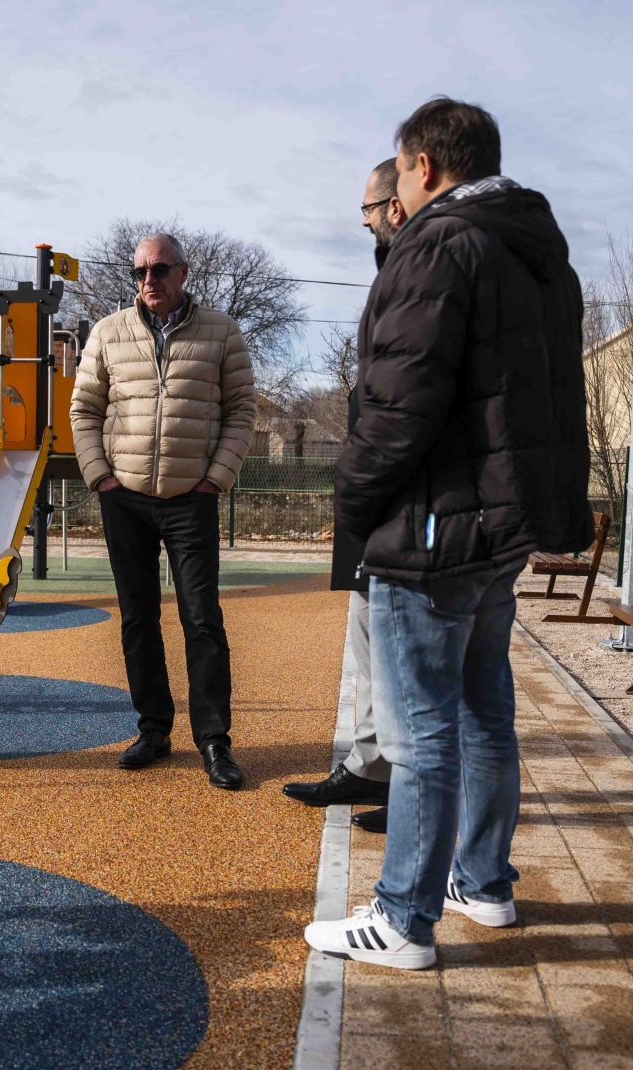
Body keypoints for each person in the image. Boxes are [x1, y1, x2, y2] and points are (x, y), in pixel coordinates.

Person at [305, 98, 593, 969]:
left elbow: (398, 403)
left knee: (422, 728)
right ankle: (485, 882)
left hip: (432, 527)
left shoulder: (438, 244)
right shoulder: (540, 252)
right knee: (483, 710)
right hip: (499, 526)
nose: (394, 189)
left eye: (398, 171)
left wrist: (352, 500)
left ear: (425, 166)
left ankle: (403, 918)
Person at [69, 233, 257, 790]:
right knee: (137, 619)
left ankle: (214, 740)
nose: (148, 280)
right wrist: (100, 477)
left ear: (183, 272)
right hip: (123, 497)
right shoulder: (108, 332)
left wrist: (215, 479)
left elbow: (242, 410)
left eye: (159, 269)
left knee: (202, 621)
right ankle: (153, 728)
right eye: (140, 271)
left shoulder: (221, 331)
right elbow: (83, 409)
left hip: (190, 498)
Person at [281, 158, 407, 828]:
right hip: (372, 502)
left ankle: (402, 789)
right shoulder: (394, 271)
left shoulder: (420, 271)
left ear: (396, 203)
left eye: (368, 207)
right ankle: (370, 769)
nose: (362, 220)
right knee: (367, 645)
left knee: (397, 659)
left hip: (397, 507)